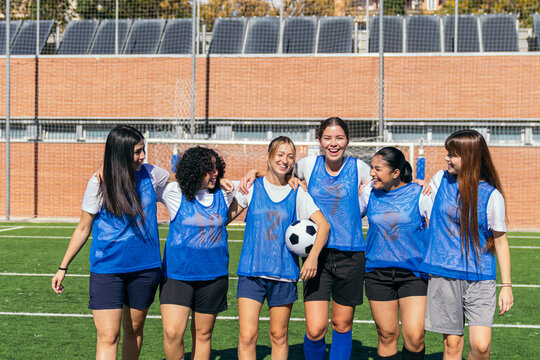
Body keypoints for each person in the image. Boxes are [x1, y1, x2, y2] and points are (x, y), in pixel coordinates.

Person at [51, 125, 170, 359]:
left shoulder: (151, 173)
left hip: (145, 269)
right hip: (107, 270)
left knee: (134, 330)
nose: (143, 156)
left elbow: (185, 178)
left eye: (143, 150)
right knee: (108, 335)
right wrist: (62, 267)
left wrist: (223, 178)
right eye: (137, 151)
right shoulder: (98, 182)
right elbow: (83, 227)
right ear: (120, 152)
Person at [228, 136, 330, 360]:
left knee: (279, 335)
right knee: (247, 336)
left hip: (283, 274)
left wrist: (312, 258)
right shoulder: (252, 187)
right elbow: (223, 218)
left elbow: (324, 225)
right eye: (280, 155)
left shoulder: (297, 193)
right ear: (269, 156)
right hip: (251, 273)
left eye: (290, 156)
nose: (285, 160)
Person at [422, 129, 514, 360]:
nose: (447, 159)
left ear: (471, 158)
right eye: (448, 153)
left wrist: (507, 286)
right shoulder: (439, 180)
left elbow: (501, 241)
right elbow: (418, 204)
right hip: (444, 274)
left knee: (481, 347)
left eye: (453, 154)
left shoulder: (492, 196)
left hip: (480, 277)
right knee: (452, 346)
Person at [158, 146, 235, 360]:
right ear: (194, 170)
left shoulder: (226, 193)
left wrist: (293, 180)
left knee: (203, 334)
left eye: (216, 168)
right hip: (177, 276)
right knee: (173, 333)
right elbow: (146, 180)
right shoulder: (174, 193)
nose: (216, 173)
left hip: (213, 277)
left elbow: (260, 180)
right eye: (209, 169)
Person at [359, 147, 432, 360]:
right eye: (372, 167)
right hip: (377, 275)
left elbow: (441, 225)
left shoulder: (420, 194)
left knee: (415, 337)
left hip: (414, 275)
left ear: (396, 173)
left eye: (378, 169)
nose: (372, 173)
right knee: (386, 335)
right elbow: (346, 214)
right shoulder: (368, 192)